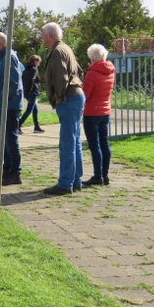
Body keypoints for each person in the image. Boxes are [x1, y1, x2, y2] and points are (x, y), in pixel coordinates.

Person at [42, 22, 85, 195]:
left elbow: (61, 77)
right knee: (74, 142)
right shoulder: (66, 48)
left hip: (68, 98)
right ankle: (76, 180)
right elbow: (80, 72)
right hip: (75, 96)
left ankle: (66, 183)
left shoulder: (58, 51)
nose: (42, 38)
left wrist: (58, 97)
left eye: (43, 34)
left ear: (50, 35)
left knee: (67, 143)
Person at [0, 32, 23, 186]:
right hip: (7, 104)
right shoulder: (3, 58)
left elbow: (13, 83)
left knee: (11, 139)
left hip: (10, 105)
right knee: (6, 139)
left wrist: (0, 98)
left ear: (1, 44)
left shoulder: (9, 58)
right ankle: (7, 170)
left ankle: (16, 172)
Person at [82, 44, 115, 187]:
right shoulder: (110, 71)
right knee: (104, 143)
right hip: (105, 111)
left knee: (95, 146)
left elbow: (84, 96)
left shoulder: (92, 74)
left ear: (92, 58)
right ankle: (105, 175)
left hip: (91, 113)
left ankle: (97, 176)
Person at [19, 55, 45, 134]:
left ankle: (36, 126)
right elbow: (32, 80)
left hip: (26, 91)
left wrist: (26, 90)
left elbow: (24, 79)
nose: (39, 64)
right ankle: (18, 124)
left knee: (35, 109)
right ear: (35, 61)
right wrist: (30, 90)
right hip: (32, 91)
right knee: (29, 110)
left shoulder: (26, 69)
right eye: (38, 62)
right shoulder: (34, 69)